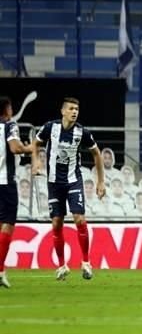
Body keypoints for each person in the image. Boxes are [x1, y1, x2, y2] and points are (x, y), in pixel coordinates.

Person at [32, 97, 106, 281]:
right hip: (54, 183)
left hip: (74, 181)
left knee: (79, 219)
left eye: (77, 109)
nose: (74, 112)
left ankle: (86, 263)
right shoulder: (50, 127)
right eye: (71, 109)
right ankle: (61, 266)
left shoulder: (82, 132)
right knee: (57, 223)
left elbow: (97, 154)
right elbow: (36, 143)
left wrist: (101, 182)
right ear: (63, 111)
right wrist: (36, 161)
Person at [0, 97, 34, 288]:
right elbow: (15, 148)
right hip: (5, 183)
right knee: (7, 225)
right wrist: (30, 148)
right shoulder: (10, 126)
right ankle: (0, 271)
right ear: (7, 109)